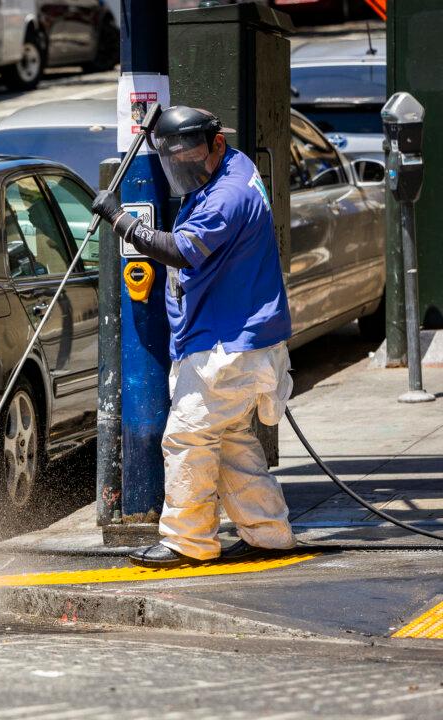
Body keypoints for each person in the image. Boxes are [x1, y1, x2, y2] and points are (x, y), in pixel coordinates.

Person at [91, 106, 298, 568]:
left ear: (217, 143)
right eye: (177, 161)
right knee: (229, 441)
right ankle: (268, 532)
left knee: (187, 437)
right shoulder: (233, 168)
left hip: (227, 346)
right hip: (235, 339)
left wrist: (120, 220)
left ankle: (187, 541)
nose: (186, 168)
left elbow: (181, 250)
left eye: (194, 157)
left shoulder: (225, 197)